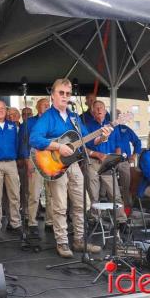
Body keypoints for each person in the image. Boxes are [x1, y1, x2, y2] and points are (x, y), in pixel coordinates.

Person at [30, 78, 107, 258]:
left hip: (73, 164)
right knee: (60, 205)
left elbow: (88, 139)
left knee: (82, 203)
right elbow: (34, 139)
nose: (65, 97)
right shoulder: (48, 116)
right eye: (61, 93)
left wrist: (102, 137)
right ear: (53, 95)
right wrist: (58, 147)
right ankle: (62, 242)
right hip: (55, 165)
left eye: (68, 93)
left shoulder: (73, 117)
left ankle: (80, 241)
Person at [84, 101, 128, 230]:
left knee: (115, 192)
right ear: (92, 110)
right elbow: (83, 147)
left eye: (101, 108)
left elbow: (118, 145)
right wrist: (96, 154)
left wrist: (116, 160)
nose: (99, 110)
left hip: (108, 162)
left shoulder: (112, 125)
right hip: (92, 162)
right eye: (96, 108)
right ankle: (94, 220)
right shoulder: (87, 125)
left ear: (105, 110)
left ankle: (121, 220)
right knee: (94, 193)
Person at [18, 98, 53, 236]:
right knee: (34, 192)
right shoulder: (28, 123)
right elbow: (23, 143)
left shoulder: (52, 120)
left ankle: (50, 222)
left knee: (51, 193)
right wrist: (27, 161)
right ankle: (32, 222)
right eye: (44, 105)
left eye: (48, 105)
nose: (46, 106)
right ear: (38, 108)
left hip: (51, 161)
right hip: (34, 160)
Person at [0, 100, 22, 238]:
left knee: (15, 195)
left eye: (3, 108)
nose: (1, 110)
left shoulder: (12, 126)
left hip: (11, 163)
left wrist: (18, 158)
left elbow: (17, 144)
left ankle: (15, 223)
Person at [116, 109, 142, 210]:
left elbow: (137, 142)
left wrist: (135, 155)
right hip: (109, 161)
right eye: (114, 115)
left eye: (118, 115)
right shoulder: (106, 128)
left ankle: (127, 208)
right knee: (106, 188)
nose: (117, 117)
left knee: (126, 185)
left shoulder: (125, 129)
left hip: (124, 161)